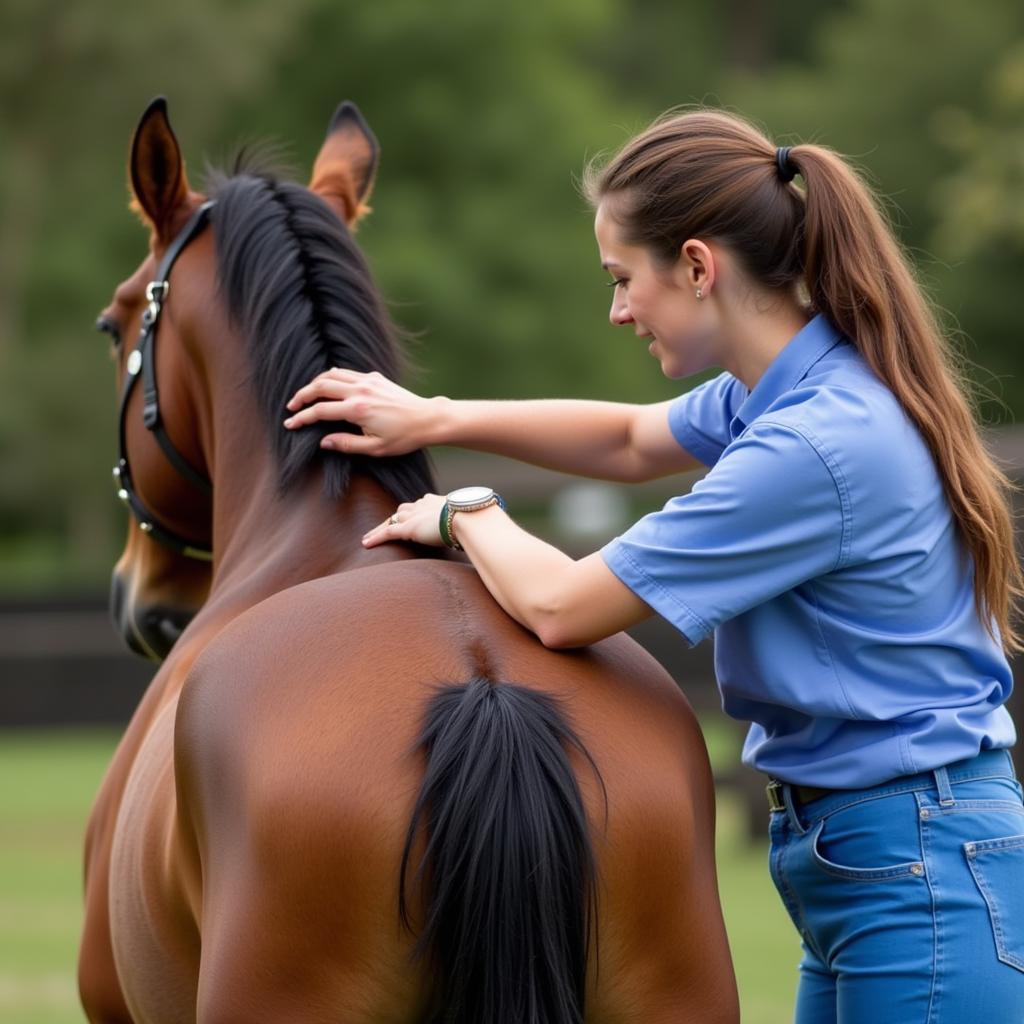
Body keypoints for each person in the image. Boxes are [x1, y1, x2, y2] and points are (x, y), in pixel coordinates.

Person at [283, 108, 1024, 1022]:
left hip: (915, 863)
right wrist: (437, 418)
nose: (619, 309)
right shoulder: (791, 386)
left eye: (624, 279)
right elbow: (631, 438)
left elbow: (559, 605)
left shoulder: (813, 447)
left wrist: (461, 512)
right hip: (872, 855)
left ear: (700, 267)